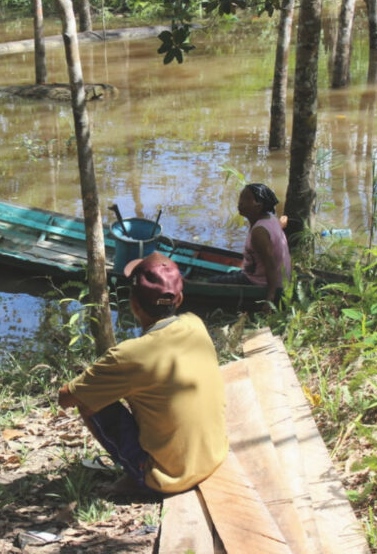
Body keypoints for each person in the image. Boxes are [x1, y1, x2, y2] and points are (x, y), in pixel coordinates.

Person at [57, 252, 228, 495]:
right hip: (215, 457)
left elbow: (66, 398)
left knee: (89, 402)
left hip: (170, 479)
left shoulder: (129, 355)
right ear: (179, 299)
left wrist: (92, 378)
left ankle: (137, 474)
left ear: (133, 304)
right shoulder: (195, 323)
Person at [209, 183, 292, 309]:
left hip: (260, 282)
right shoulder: (270, 218)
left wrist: (270, 299)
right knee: (231, 273)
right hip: (272, 278)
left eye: (246, 199)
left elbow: (271, 266)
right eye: (241, 198)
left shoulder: (259, 233)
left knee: (211, 283)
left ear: (259, 206)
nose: (240, 203)